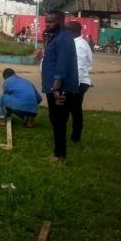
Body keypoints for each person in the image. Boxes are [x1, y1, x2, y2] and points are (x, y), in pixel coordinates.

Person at [41, 10, 79, 164]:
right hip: (54, 87)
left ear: (61, 21)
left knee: (59, 122)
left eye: (50, 22)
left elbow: (62, 65)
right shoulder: (57, 37)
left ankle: (60, 155)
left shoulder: (63, 38)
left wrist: (56, 89)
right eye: (46, 22)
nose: (47, 24)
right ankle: (58, 153)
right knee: (56, 121)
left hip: (60, 88)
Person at [67, 21, 94, 143]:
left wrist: (73, 86)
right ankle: (73, 135)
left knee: (75, 110)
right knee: (73, 109)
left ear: (72, 30)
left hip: (78, 82)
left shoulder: (79, 46)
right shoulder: (77, 43)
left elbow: (80, 67)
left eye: (66, 29)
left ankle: (76, 136)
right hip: (77, 81)